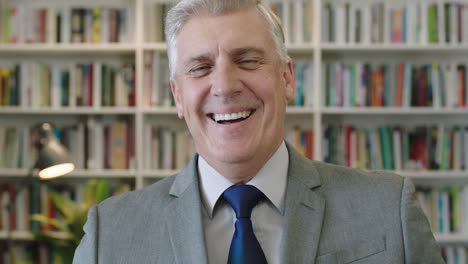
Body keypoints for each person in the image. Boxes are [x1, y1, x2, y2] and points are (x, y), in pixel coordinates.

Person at [73, 0, 444, 263]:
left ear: (286, 78)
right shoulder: (111, 234)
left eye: (247, 61)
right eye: (201, 68)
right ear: (178, 96)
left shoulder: (387, 208)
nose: (224, 86)